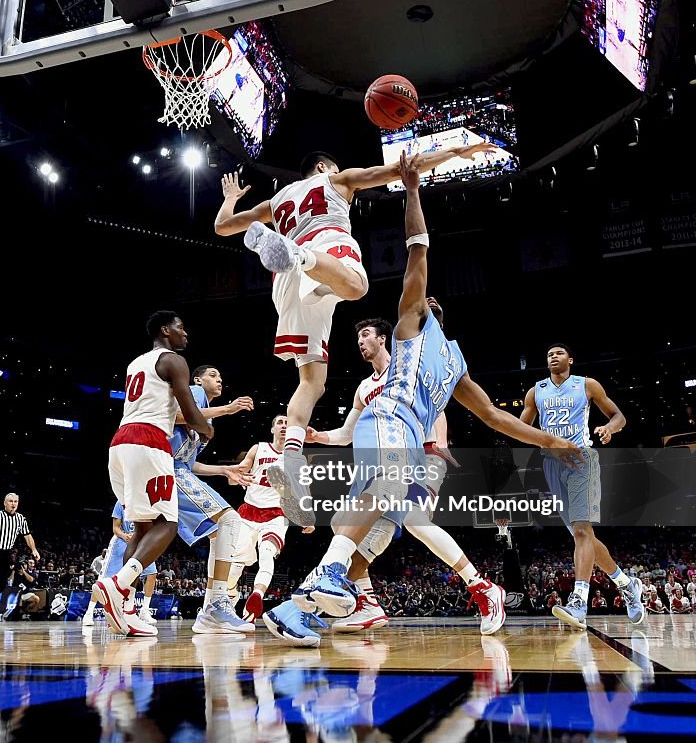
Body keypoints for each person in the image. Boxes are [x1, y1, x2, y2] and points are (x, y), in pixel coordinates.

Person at [264, 153, 581, 647]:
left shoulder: (449, 360)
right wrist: (412, 191)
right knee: (381, 517)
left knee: (378, 527)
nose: (419, 299)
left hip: (408, 434)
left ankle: (311, 598)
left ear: (438, 313)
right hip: (386, 420)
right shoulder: (413, 326)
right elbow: (418, 252)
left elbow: (497, 417)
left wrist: (552, 441)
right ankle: (329, 593)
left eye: (428, 301)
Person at [213, 142, 497, 508]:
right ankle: (299, 255)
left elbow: (222, 227)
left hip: (284, 282)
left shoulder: (277, 200)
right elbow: (405, 167)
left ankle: (291, 458)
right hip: (321, 249)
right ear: (323, 168)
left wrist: (230, 198)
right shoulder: (336, 179)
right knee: (357, 286)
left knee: (312, 380)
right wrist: (457, 153)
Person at [307, 307, 499, 635]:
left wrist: (437, 449)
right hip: (380, 459)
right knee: (344, 524)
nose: (360, 341)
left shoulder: (410, 363)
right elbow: (346, 434)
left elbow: (435, 406)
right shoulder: (364, 388)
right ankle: (367, 604)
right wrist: (318, 436)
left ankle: (481, 586)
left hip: (422, 453)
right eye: (357, 338)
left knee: (414, 521)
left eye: (366, 335)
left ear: (384, 339)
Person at [92, 311, 214, 638]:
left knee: (143, 527)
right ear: (165, 330)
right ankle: (118, 583)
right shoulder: (174, 360)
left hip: (120, 443)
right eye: (181, 327)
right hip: (149, 442)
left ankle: (126, 606)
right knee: (167, 524)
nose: (185, 334)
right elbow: (188, 410)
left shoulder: (136, 363)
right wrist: (206, 430)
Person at [520, 344, 645, 628]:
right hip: (551, 465)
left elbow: (619, 416)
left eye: (559, 353)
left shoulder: (586, 385)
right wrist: (542, 441)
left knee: (580, 531)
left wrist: (608, 429)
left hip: (581, 460)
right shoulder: (535, 391)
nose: (553, 356)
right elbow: (522, 429)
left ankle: (579, 602)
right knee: (582, 535)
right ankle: (626, 584)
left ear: (570, 360)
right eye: (549, 353)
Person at [169, 364, 256, 634]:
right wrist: (228, 408)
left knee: (221, 530)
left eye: (221, 376)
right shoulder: (193, 392)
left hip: (177, 468)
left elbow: (191, 463)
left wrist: (223, 470)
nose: (219, 380)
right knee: (229, 520)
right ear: (197, 379)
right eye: (213, 375)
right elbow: (179, 416)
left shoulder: (208, 415)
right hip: (166, 468)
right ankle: (216, 605)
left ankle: (211, 608)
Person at [229, 413, 315, 623]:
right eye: (279, 422)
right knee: (235, 564)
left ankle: (257, 595)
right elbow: (237, 476)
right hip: (249, 512)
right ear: (272, 429)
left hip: (276, 515)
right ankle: (230, 596)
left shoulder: (297, 459)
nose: (284, 426)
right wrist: (247, 478)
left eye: (287, 423)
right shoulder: (258, 448)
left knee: (267, 553)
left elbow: (304, 489)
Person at [82, 500, 157, 628]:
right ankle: (89, 613)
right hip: (122, 541)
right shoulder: (121, 502)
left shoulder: (146, 501)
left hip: (141, 541)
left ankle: (144, 611)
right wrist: (125, 535)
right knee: (104, 579)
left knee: (151, 573)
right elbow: (115, 528)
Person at [0, 492, 36, 625]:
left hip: (6, 553)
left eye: (15, 501)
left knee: (2, 584)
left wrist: (34, 549)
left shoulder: (21, 519)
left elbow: (27, 536)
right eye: (10, 501)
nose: (13, 504)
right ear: (5, 503)